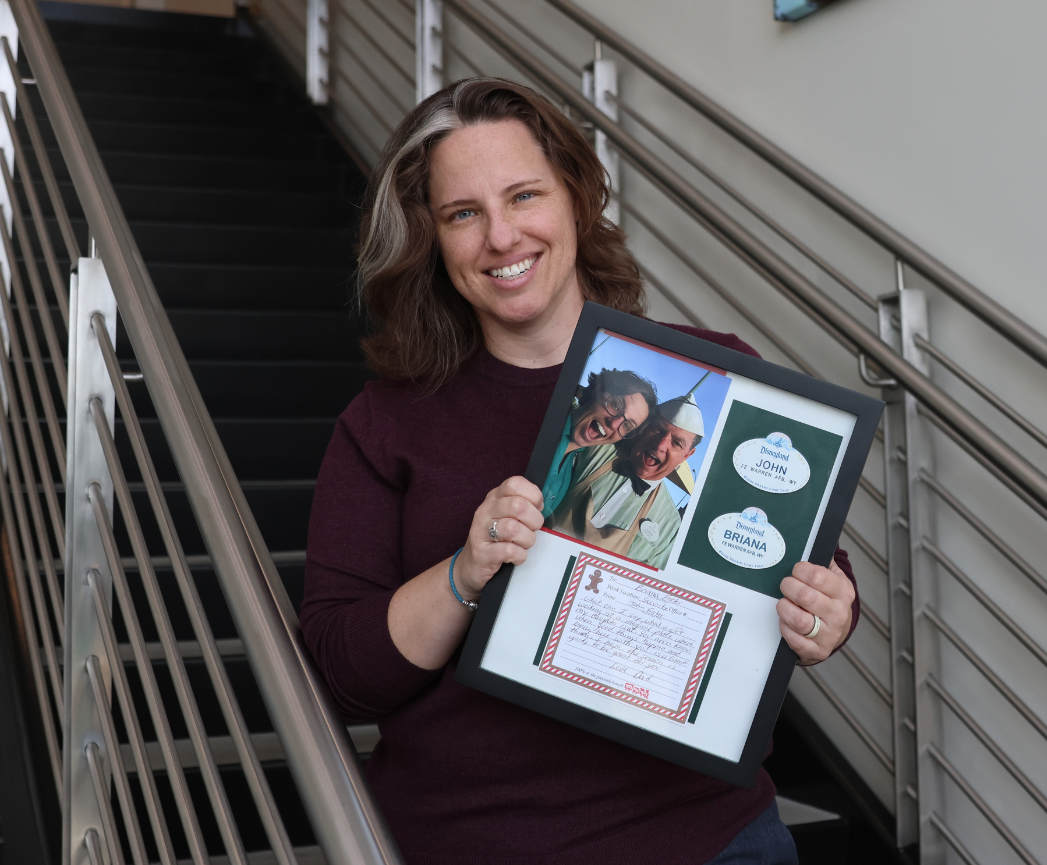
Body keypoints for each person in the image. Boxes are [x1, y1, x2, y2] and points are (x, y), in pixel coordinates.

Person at [301, 77, 860, 865]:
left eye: (524, 196)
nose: (501, 237)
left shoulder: (721, 372)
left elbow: (805, 562)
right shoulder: (385, 423)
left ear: (575, 199)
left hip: (710, 840)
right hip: (473, 844)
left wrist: (829, 607)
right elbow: (344, 671)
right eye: (464, 213)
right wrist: (466, 570)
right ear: (434, 236)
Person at [570, 390, 705, 568]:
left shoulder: (670, 525)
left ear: (687, 455)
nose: (660, 445)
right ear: (644, 426)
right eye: (657, 429)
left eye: (676, 443)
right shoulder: (596, 447)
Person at [538, 368, 657, 512]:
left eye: (627, 426)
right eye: (616, 405)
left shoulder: (573, 466)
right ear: (598, 390)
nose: (614, 424)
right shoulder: (542, 423)